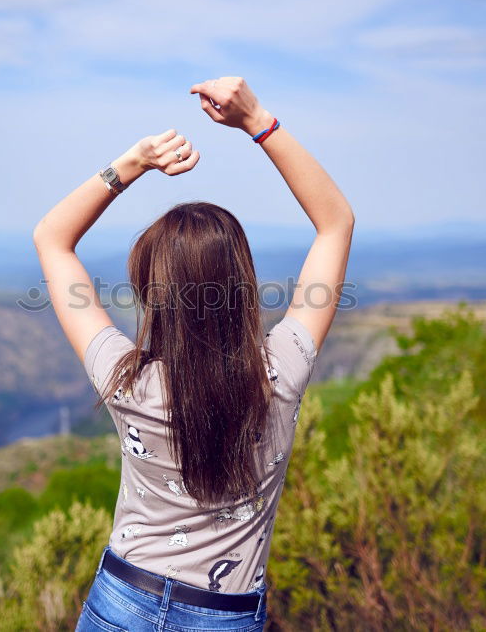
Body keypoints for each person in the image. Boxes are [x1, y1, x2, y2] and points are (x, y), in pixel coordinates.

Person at [33, 76, 354, 631]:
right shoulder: (281, 374)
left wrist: (133, 163)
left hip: (121, 603)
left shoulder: (126, 380)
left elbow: (51, 237)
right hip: (222, 615)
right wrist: (258, 120)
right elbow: (335, 224)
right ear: (243, 287)